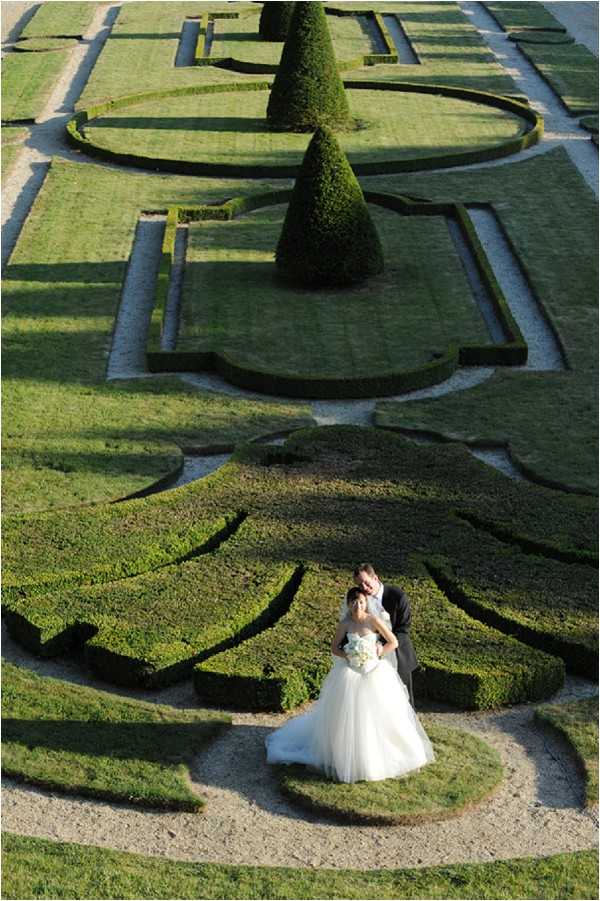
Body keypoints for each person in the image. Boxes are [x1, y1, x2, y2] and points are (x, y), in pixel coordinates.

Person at [265, 587, 434, 783]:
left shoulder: (373, 620)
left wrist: (379, 651)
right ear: (348, 604)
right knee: (349, 718)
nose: (357, 605)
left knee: (381, 716)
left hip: (374, 672)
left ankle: (387, 755)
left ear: (366, 602)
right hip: (350, 673)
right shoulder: (345, 624)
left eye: (361, 601)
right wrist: (348, 654)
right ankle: (347, 757)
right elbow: (334, 647)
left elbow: (393, 642)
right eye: (353, 602)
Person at [353, 563, 418, 706]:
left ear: (375, 578)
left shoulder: (397, 596)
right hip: (372, 657)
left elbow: (403, 628)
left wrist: (385, 646)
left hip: (399, 653)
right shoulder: (360, 599)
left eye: (366, 582)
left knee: (405, 700)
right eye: (360, 585)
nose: (364, 587)